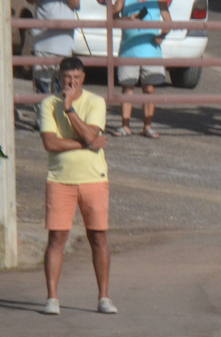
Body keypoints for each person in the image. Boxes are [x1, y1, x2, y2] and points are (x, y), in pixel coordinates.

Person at [39, 56, 115, 317]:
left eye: (76, 78)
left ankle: (104, 296)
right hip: (60, 178)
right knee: (56, 238)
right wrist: (87, 144)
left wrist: (70, 109)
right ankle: (52, 297)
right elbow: (50, 143)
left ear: (83, 78)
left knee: (99, 237)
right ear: (59, 77)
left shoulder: (95, 102)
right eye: (67, 78)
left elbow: (91, 133)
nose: (71, 83)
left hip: (94, 178)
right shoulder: (48, 104)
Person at [110, 0, 170, 139]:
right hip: (128, 51)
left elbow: (168, 22)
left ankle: (147, 127)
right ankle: (125, 126)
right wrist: (127, 19)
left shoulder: (158, 1)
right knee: (127, 88)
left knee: (149, 89)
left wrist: (162, 36)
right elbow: (113, 17)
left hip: (151, 52)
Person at [29, 0, 81, 98]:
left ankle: (59, 106)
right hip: (44, 43)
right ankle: (43, 106)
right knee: (43, 85)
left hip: (64, 43)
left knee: (62, 85)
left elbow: (76, 4)